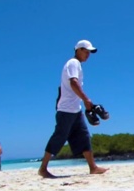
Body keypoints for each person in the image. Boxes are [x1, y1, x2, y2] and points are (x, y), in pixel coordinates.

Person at [38, 40, 107, 178]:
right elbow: (73, 83)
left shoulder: (77, 65)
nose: (88, 54)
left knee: (84, 137)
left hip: (75, 110)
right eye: (85, 51)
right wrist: (86, 99)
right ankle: (43, 169)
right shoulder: (73, 63)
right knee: (59, 137)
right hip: (65, 109)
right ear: (78, 50)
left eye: (89, 53)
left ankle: (93, 167)